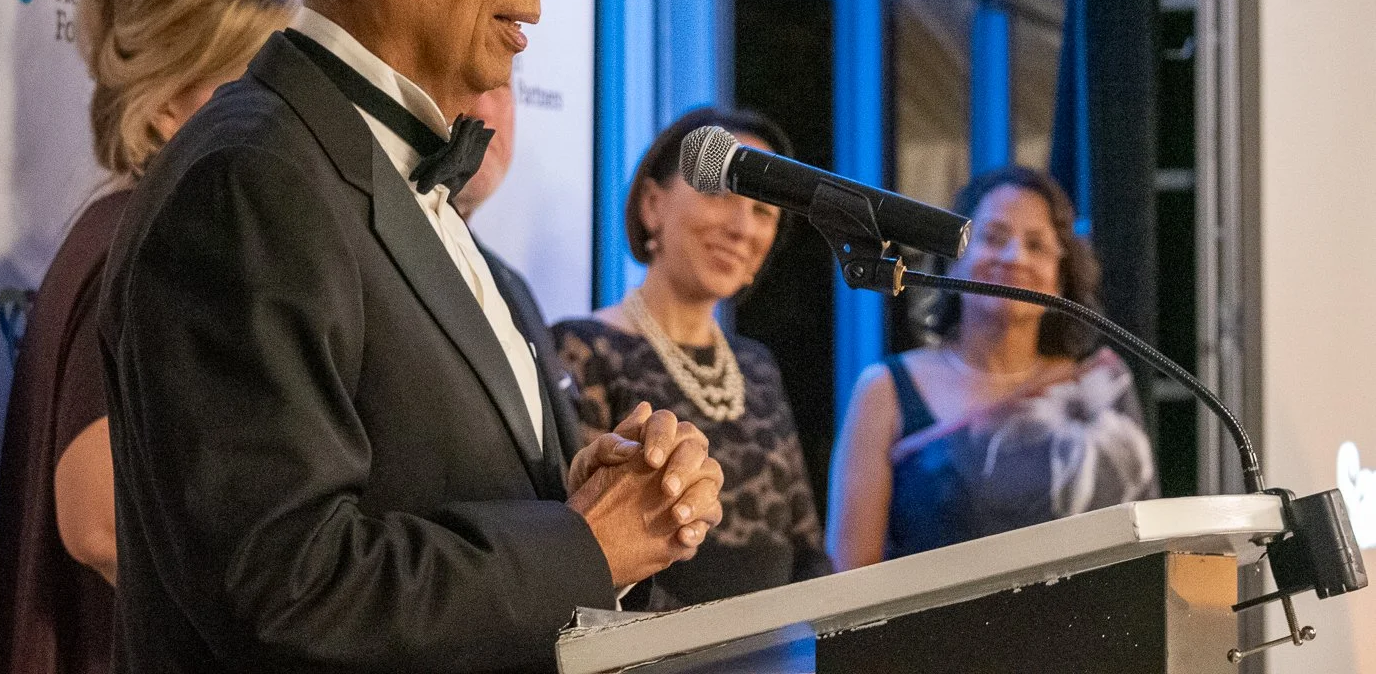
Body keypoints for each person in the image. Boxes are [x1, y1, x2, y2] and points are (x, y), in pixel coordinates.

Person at [98, 0, 725, 674]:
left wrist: (579, 500)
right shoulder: (250, 179)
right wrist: (583, 548)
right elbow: (288, 590)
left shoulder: (393, 180)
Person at [0, 0, 297, 674]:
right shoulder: (156, 240)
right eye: (257, 87)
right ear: (165, 106)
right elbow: (97, 523)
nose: (289, 118)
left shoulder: (117, 225)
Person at [554, 107, 832, 608]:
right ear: (652, 206)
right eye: (722, 192)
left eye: (765, 210)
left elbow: (807, 549)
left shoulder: (757, 366)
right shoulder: (582, 349)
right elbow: (580, 550)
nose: (743, 226)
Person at [826, 165, 1156, 570]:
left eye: (1036, 246)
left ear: (1060, 277)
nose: (1014, 257)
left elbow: (1147, 552)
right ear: (951, 262)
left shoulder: (1098, 389)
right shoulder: (886, 391)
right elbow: (851, 574)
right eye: (993, 238)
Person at [454, 82, 586, 460]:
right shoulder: (365, 245)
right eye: (471, 83)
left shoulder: (512, 286)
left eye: (500, 89)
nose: (484, 112)